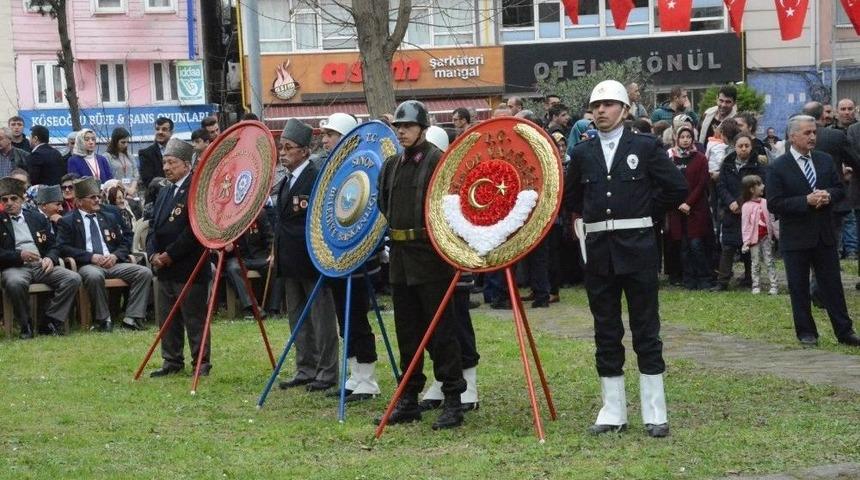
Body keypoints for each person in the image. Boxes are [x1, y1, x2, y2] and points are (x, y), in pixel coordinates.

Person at [564, 80, 687, 438]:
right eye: (595, 105)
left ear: (625, 110)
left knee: (646, 329)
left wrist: (645, 212)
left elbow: (676, 189)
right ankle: (613, 410)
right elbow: (571, 195)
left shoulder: (645, 147)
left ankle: (654, 411)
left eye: (608, 104)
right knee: (606, 330)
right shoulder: (583, 153)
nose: (600, 111)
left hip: (639, 248)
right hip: (600, 252)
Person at [376, 100, 467, 430]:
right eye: (399, 126)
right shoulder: (390, 165)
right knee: (407, 333)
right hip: (399, 258)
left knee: (442, 333)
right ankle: (409, 398)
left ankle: (453, 400)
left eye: (409, 126)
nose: (402, 131)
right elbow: (382, 202)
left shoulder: (438, 162)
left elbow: (449, 209)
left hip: (430, 259)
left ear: (423, 128)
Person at [766, 115, 860, 348]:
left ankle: (844, 331)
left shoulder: (825, 160)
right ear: (792, 136)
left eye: (814, 132)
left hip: (823, 233)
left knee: (833, 286)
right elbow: (774, 203)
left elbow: (839, 188)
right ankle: (806, 332)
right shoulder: (779, 166)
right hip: (796, 236)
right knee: (798, 287)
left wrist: (828, 195)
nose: (812, 137)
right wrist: (805, 201)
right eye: (807, 133)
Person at [316, 112, 384, 401]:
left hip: (360, 256)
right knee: (344, 321)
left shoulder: (365, 165)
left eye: (330, 134)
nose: (325, 140)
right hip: (336, 256)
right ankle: (355, 375)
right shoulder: (332, 169)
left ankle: (367, 378)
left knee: (356, 318)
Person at [273, 119, 339, 393]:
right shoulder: (286, 180)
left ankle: (326, 371)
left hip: (311, 258)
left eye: (288, 147)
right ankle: (305, 367)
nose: (283, 152)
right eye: (281, 147)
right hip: (289, 259)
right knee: (297, 317)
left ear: (303, 150)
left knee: (321, 318)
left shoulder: (316, 176)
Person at [418, 125, 480, 412]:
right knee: (430, 326)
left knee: (458, 325)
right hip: (424, 265)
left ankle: (469, 383)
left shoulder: (458, 184)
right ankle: (441, 380)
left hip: (452, 264)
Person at [147, 138, 212, 377]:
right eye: (164, 162)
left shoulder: (197, 189)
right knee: (167, 318)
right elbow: (153, 225)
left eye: (171, 162)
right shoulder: (164, 191)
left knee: (194, 318)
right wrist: (153, 252)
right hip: (163, 267)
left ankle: (201, 363)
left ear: (186, 164)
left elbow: (194, 230)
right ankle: (171, 361)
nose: (166, 167)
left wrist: (170, 255)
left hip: (188, 265)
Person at [56, 176, 152, 332]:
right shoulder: (68, 221)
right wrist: (90, 257)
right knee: (94, 276)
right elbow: (63, 247)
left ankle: (132, 318)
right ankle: (103, 320)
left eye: (98, 197)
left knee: (144, 272)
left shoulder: (108, 217)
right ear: (79, 201)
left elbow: (124, 243)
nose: (97, 200)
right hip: (88, 264)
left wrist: (114, 256)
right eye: (92, 197)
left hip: (113, 262)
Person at [0, 177, 81, 338]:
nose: (9, 203)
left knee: (73, 278)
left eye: (13, 198)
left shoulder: (36, 218)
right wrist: (19, 255)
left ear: (22, 200)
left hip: (40, 265)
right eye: (4, 199)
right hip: (15, 267)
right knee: (15, 282)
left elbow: (54, 245)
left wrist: (50, 258)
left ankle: (49, 321)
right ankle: (26, 325)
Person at [713, 132, 766, 291]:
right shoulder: (727, 164)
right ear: (734, 147)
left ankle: (750, 278)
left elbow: (760, 186)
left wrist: (742, 203)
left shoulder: (757, 165)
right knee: (728, 246)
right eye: (740, 146)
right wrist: (730, 202)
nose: (743, 149)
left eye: (747, 146)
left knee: (749, 246)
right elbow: (721, 186)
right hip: (730, 211)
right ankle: (722, 281)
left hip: (750, 211)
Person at [667, 125, 713, 290]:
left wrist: (689, 203)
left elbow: (702, 184)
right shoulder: (671, 158)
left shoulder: (700, 158)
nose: (685, 140)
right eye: (682, 137)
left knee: (696, 244)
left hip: (696, 208)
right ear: (677, 139)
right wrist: (679, 203)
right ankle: (689, 279)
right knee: (684, 246)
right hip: (677, 209)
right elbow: (669, 182)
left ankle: (705, 278)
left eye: (688, 137)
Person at [740, 174, 778, 295]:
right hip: (754, 240)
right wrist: (746, 241)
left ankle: (774, 285)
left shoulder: (766, 202)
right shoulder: (746, 206)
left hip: (766, 237)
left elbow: (771, 219)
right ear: (752, 189)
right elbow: (745, 225)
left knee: (769, 261)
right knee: (755, 262)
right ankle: (756, 285)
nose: (763, 186)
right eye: (760, 184)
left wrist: (776, 234)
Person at [138, 117, 173, 190]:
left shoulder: (176, 152)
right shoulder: (145, 154)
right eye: (157, 129)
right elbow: (148, 181)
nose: (160, 132)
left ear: (171, 133)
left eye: (164, 129)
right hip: (157, 196)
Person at [104, 127, 138, 195]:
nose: (126, 145)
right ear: (115, 141)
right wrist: (126, 189)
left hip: (132, 193)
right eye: (123, 142)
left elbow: (136, 174)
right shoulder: (107, 156)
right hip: (117, 193)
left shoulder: (129, 155)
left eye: (127, 142)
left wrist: (132, 189)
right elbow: (110, 179)